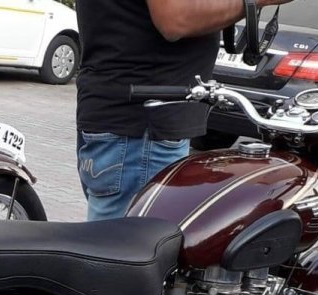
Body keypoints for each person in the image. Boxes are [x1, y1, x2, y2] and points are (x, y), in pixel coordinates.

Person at [76, 0, 293, 221]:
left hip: (133, 122)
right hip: (143, 130)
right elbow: (176, 19)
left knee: (121, 236)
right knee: (130, 239)